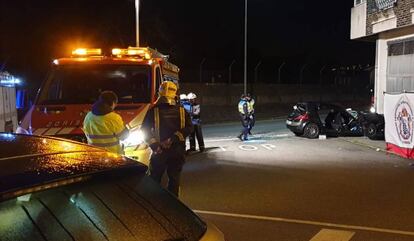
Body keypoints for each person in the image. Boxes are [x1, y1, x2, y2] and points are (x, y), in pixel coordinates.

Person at [141, 81, 193, 197]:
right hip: (177, 151)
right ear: (175, 94)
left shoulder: (153, 110)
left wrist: (155, 145)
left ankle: (154, 205)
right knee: (174, 179)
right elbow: (189, 128)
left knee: (154, 179)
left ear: (160, 93)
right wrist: (173, 139)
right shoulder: (182, 111)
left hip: (159, 151)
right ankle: (173, 206)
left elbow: (144, 130)